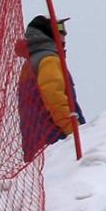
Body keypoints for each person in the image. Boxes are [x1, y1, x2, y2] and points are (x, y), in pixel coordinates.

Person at [19, 15, 83, 160]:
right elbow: (55, 99)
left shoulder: (29, 64)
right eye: (59, 29)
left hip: (35, 145)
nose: (64, 34)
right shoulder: (49, 60)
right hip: (56, 140)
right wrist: (75, 131)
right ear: (47, 32)